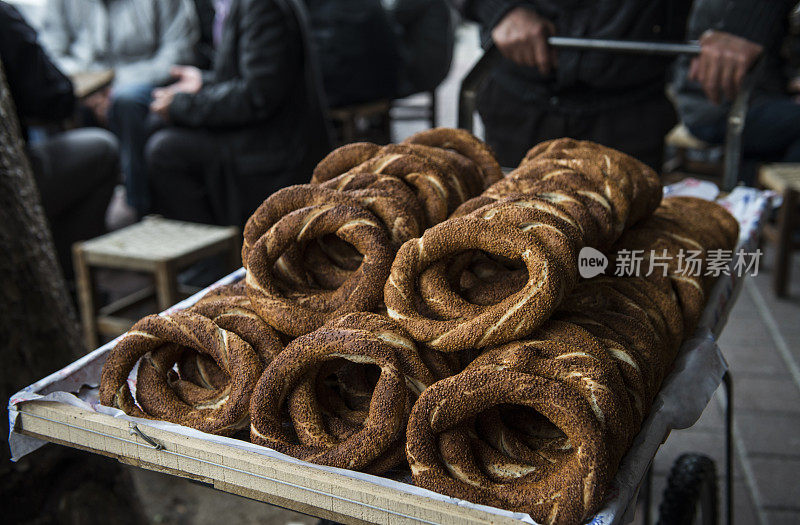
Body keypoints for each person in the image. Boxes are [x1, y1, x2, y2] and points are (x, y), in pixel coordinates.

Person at [453, 0, 791, 171]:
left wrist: (745, 21)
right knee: (506, 252)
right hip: (520, 93)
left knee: (621, 266)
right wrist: (499, 7)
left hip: (632, 101)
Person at [145, 0, 331, 228]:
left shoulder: (262, 6)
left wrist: (182, 106)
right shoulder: (242, 6)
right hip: (264, 131)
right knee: (156, 124)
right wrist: (204, 82)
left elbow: (257, 95)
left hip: (275, 148)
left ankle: (211, 255)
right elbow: (251, 77)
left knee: (165, 150)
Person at [40, 0, 199, 218]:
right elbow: (51, 53)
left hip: (144, 81)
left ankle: (138, 207)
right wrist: (90, 87)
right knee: (58, 101)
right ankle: (85, 220)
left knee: (126, 100)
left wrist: (112, 87)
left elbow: (177, 53)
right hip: (84, 85)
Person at [0, 1, 119, 278]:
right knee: (102, 149)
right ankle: (72, 281)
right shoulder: (3, 17)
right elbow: (54, 95)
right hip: (9, 191)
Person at [673, 0, 798, 184]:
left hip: (745, 102)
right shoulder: (737, 17)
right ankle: (784, 198)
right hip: (715, 110)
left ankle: (758, 192)